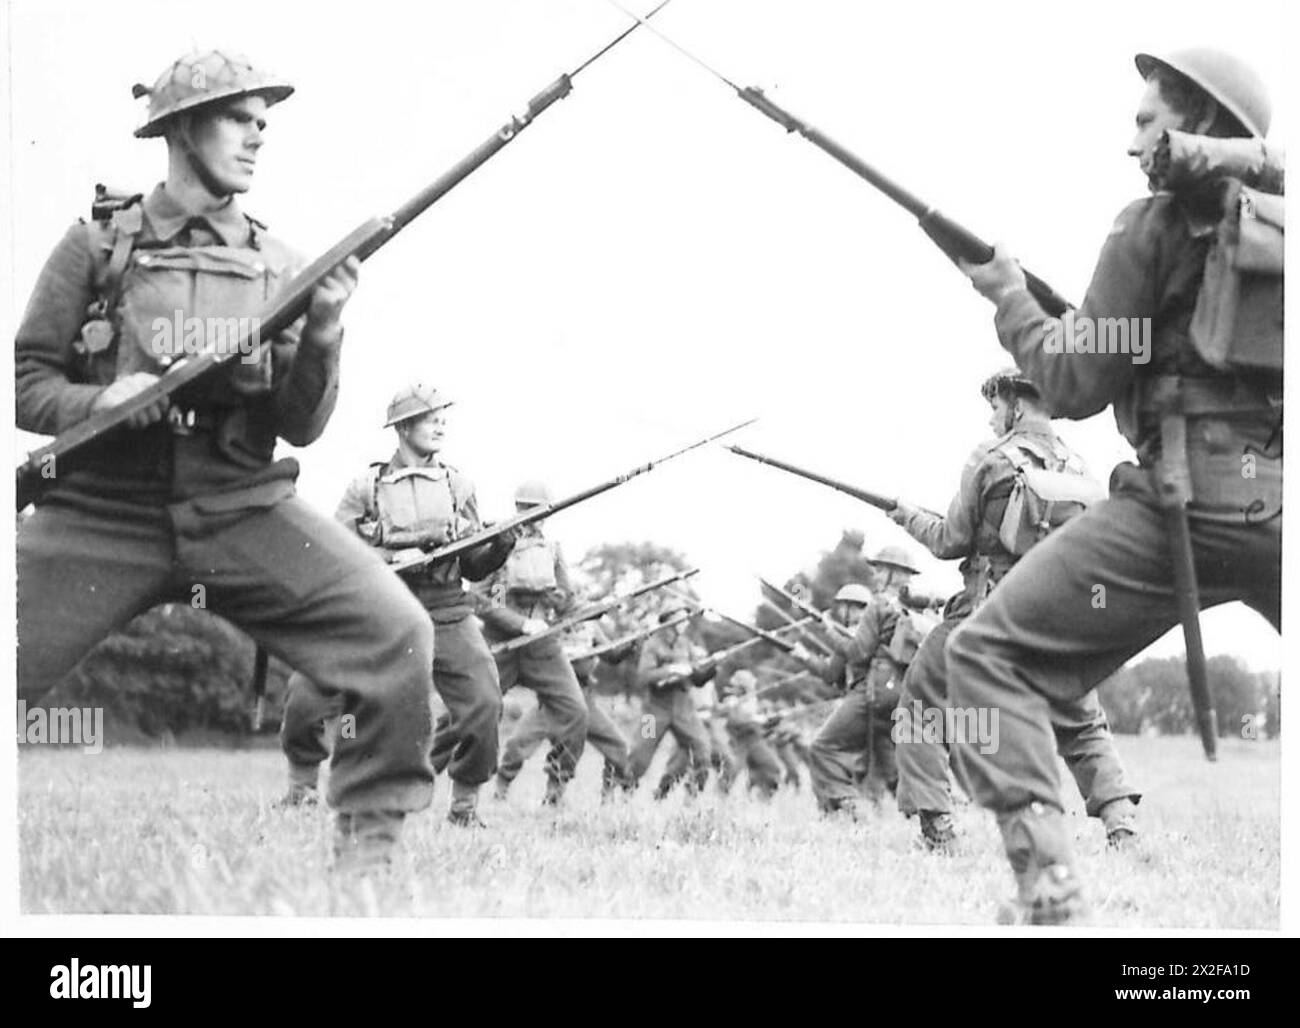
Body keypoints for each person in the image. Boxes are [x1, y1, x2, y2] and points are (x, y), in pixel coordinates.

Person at [14, 50, 431, 871]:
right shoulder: (97, 243)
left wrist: (322, 332)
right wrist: (97, 402)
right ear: (180, 128)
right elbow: (26, 383)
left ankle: (369, 867)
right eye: (240, 119)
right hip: (100, 509)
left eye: (263, 124)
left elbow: (301, 426)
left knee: (398, 635)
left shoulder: (282, 265)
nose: (257, 137)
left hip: (239, 502)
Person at [951, 47, 1281, 923]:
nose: (1131, 143)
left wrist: (1010, 298)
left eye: (1147, 121)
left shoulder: (1148, 226)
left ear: (1202, 125)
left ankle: (1052, 895)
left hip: (1180, 507)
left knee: (985, 659)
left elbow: (1072, 387)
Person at [889, 370, 1141, 852]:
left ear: (1016, 405)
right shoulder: (1080, 470)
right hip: (1058, 618)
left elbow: (950, 540)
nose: (991, 417)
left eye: (995, 406)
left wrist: (906, 516)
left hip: (986, 611)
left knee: (920, 709)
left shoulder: (989, 457)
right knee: (1082, 721)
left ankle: (938, 830)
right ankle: (1122, 826)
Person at [278, 384, 511, 826]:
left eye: (443, 416)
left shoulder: (459, 485)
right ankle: (301, 790)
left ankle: (464, 809)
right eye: (430, 417)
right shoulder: (365, 487)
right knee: (307, 692)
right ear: (403, 427)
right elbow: (337, 552)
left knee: (483, 701)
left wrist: (498, 548)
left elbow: (474, 565)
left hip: (443, 607)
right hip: (376, 605)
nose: (441, 423)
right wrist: (391, 558)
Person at [475, 481, 589, 806]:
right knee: (474, 711)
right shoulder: (497, 542)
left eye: (538, 510)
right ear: (517, 508)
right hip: (500, 642)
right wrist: (516, 619)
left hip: (542, 645)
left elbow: (568, 602)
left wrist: (566, 602)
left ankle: (555, 792)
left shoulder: (552, 549)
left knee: (575, 711)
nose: (532, 516)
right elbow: (477, 598)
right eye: (526, 508)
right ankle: (456, 783)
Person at [790, 565, 916, 814]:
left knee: (823, 749)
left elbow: (838, 667)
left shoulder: (856, 632)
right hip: (894, 699)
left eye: (851, 607)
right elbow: (835, 674)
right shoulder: (891, 618)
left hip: (869, 698)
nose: (851, 613)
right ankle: (923, 813)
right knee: (888, 769)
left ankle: (844, 806)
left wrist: (812, 648)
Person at [493, 615, 637, 801]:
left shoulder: (590, 627)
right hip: (551, 699)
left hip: (583, 699)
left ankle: (605, 794)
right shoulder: (547, 623)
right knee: (517, 743)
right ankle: (501, 789)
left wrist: (632, 643)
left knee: (617, 746)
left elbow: (612, 654)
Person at [627, 607, 716, 794]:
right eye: (680, 619)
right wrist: (672, 669)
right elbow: (644, 677)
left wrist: (711, 668)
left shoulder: (685, 644)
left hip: (684, 709)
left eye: (685, 619)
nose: (685, 623)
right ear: (669, 620)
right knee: (640, 756)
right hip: (654, 710)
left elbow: (697, 679)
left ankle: (692, 799)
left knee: (702, 750)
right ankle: (622, 793)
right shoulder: (652, 645)